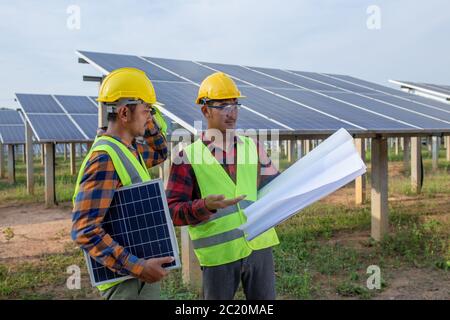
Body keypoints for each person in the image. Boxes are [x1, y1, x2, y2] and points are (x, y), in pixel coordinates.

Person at [166, 72, 280, 300]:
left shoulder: (253, 147)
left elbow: (275, 187)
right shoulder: (187, 157)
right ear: (205, 110)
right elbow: (172, 212)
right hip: (219, 255)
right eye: (223, 106)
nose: (232, 112)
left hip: (259, 247)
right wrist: (204, 206)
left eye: (235, 104)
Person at [72, 67, 173, 300]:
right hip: (127, 285)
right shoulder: (104, 158)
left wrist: (146, 113)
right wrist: (138, 267)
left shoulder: (130, 149)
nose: (151, 118)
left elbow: (161, 151)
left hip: (137, 280)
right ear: (124, 113)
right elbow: (84, 230)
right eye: (147, 111)